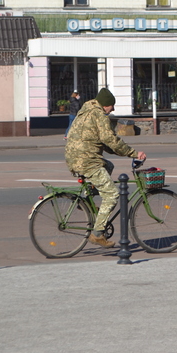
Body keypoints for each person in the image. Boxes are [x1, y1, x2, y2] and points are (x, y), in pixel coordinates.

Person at [65, 88, 146, 248]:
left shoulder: (86, 110)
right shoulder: (99, 115)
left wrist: (120, 151)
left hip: (75, 156)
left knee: (108, 165)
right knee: (112, 195)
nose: (113, 109)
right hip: (87, 160)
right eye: (112, 106)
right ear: (105, 105)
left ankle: (90, 199)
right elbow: (110, 139)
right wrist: (133, 153)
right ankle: (97, 234)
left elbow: (103, 141)